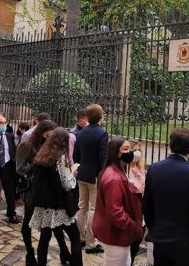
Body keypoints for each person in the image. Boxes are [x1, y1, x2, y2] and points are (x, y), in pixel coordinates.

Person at [143, 128, 189, 266]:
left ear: (169, 144)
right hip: (187, 244)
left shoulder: (154, 169)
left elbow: (147, 206)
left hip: (161, 240)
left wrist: (155, 229)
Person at [16, 120, 71, 266]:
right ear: (43, 131)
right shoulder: (26, 146)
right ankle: (30, 254)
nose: (52, 135)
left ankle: (64, 252)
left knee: (54, 225)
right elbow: (19, 169)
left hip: (47, 193)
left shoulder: (51, 146)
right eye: (50, 132)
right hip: (31, 191)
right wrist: (37, 166)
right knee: (26, 226)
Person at [29, 128, 82, 266]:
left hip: (44, 204)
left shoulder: (42, 154)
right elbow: (67, 184)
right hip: (59, 204)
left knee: (44, 238)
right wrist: (73, 173)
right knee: (75, 238)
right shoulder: (60, 158)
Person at [92, 137, 143, 266]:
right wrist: (134, 226)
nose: (130, 153)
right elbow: (115, 211)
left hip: (118, 232)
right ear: (116, 152)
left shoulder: (118, 171)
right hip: (115, 233)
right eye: (126, 149)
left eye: (130, 149)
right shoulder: (114, 178)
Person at [74, 104, 108, 254]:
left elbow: (76, 155)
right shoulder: (102, 134)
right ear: (100, 116)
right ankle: (91, 243)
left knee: (82, 207)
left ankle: (80, 238)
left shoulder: (81, 132)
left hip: (82, 174)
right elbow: (103, 158)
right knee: (93, 209)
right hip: (95, 176)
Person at [127, 141, 145, 265]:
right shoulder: (125, 169)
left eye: (139, 150)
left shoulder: (140, 168)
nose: (137, 152)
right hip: (129, 208)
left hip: (140, 207)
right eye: (134, 150)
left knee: (137, 240)